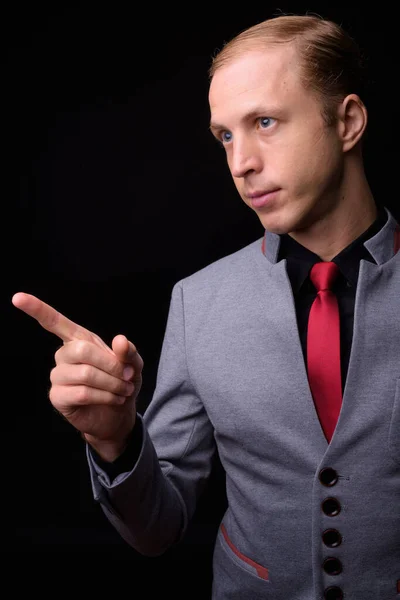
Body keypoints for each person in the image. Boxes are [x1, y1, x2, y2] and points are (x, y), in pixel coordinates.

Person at [11, 13, 400, 600]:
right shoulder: (199, 301)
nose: (240, 163)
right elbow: (158, 528)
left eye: (264, 122)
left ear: (347, 122)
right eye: (225, 136)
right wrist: (116, 442)